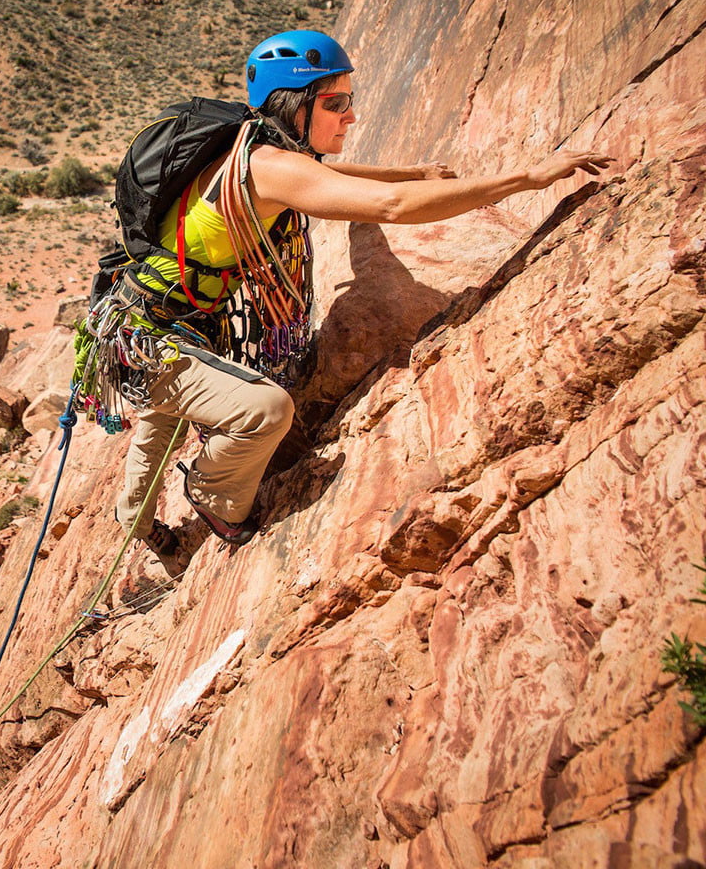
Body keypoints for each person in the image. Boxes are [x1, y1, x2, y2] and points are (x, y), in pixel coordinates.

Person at [111, 29, 611, 546]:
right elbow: (388, 207)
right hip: (155, 333)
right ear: (294, 104)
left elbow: (326, 173)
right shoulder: (270, 167)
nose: (350, 116)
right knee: (266, 411)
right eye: (336, 103)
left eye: (349, 100)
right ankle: (211, 492)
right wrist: (528, 178)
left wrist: (410, 172)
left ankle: (133, 517)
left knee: (163, 413)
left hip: (157, 320)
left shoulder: (253, 149)